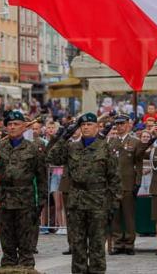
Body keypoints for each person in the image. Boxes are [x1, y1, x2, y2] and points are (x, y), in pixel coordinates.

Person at [46, 113, 121, 274]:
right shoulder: (72, 147)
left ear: (96, 126)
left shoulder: (105, 148)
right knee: (77, 244)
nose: (86, 127)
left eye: (89, 124)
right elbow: (51, 157)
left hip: (98, 200)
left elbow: (114, 178)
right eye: (83, 125)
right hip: (76, 200)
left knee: (97, 244)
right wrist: (63, 136)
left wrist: (113, 204)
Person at [0, 111, 47, 268]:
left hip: (25, 200)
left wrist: (42, 201)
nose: (12, 127)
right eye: (9, 124)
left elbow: (41, 177)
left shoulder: (33, 149)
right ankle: (8, 267)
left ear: (24, 127)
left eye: (16, 124)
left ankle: (26, 268)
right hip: (4, 199)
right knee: (7, 240)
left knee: (26, 242)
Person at [107, 114, 147, 255]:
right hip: (114, 185)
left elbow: (139, 164)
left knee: (129, 216)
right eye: (117, 124)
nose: (119, 126)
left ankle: (129, 244)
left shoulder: (135, 142)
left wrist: (138, 183)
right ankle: (118, 243)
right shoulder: (111, 142)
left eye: (122, 124)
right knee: (116, 216)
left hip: (129, 184)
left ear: (128, 124)